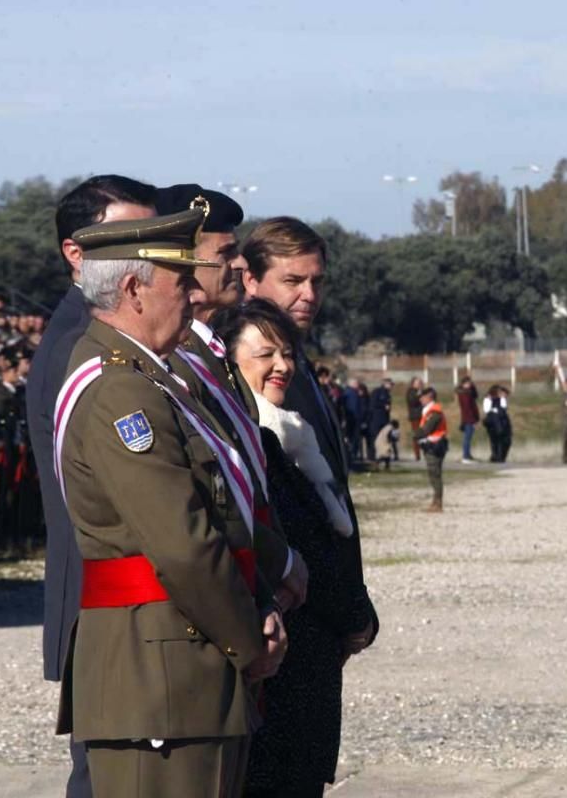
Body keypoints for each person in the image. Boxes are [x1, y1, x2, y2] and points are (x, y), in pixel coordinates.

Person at [55, 205, 288, 797]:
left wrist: (257, 610)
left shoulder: (153, 378)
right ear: (134, 289)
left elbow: (222, 517)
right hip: (159, 678)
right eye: (181, 281)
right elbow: (183, 544)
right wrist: (249, 638)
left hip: (183, 667)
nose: (193, 294)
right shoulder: (120, 391)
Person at [25, 174, 155, 798]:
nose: (148, 252)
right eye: (129, 237)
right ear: (76, 254)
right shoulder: (82, 341)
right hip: (110, 593)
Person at [213, 298, 373, 797]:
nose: (282, 365)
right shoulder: (252, 442)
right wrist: (358, 619)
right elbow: (306, 555)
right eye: (265, 354)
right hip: (280, 681)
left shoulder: (289, 436)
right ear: (229, 361)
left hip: (306, 677)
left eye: (287, 353)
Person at [154, 185, 308, 609]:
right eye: (225, 254)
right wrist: (276, 565)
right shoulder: (176, 360)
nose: (240, 264)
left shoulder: (211, 353)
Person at [241, 216, 378, 655]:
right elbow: (293, 508)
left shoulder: (295, 358)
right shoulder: (252, 369)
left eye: (317, 281)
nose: (309, 295)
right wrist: (348, 609)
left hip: (321, 611)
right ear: (250, 279)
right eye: (293, 281)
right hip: (293, 609)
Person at [414, 386, 448, 512]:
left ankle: (438, 503)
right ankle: (436, 501)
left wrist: (414, 435)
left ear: (429, 397)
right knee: (433, 474)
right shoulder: (429, 411)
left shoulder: (434, 412)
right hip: (432, 445)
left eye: (422, 397)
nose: (420, 399)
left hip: (435, 446)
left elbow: (426, 429)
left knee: (435, 474)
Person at [482, 384, 510, 463]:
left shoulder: (501, 399)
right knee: (494, 440)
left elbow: (503, 409)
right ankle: (496, 456)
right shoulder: (488, 399)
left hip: (501, 421)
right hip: (492, 422)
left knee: (502, 440)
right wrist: (496, 410)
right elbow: (487, 410)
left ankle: (500, 456)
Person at [455, 375, 480, 464]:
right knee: (467, 438)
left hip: (470, 418)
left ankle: (468, 455)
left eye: (470, 383)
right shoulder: (464, 394)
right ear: (463, 384)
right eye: (468, 383)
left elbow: (476, 395)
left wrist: (473, 387)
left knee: (468, 437)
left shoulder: (469, 392)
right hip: (468, 418)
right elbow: (467, 408)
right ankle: (465, 456)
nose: (469, 385)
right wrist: (473, 420)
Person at [406, 375, 424, 461]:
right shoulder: (411, 392)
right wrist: (419, 396)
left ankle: (424, 452)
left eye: (420, 383)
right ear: (413, 384)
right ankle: (417, 455)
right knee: (417, 435)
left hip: (423, 415)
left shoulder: (421, 391)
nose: (419, 384)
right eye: (417, 383)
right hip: (415, 416)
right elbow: (413, 402)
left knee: (423, 434)